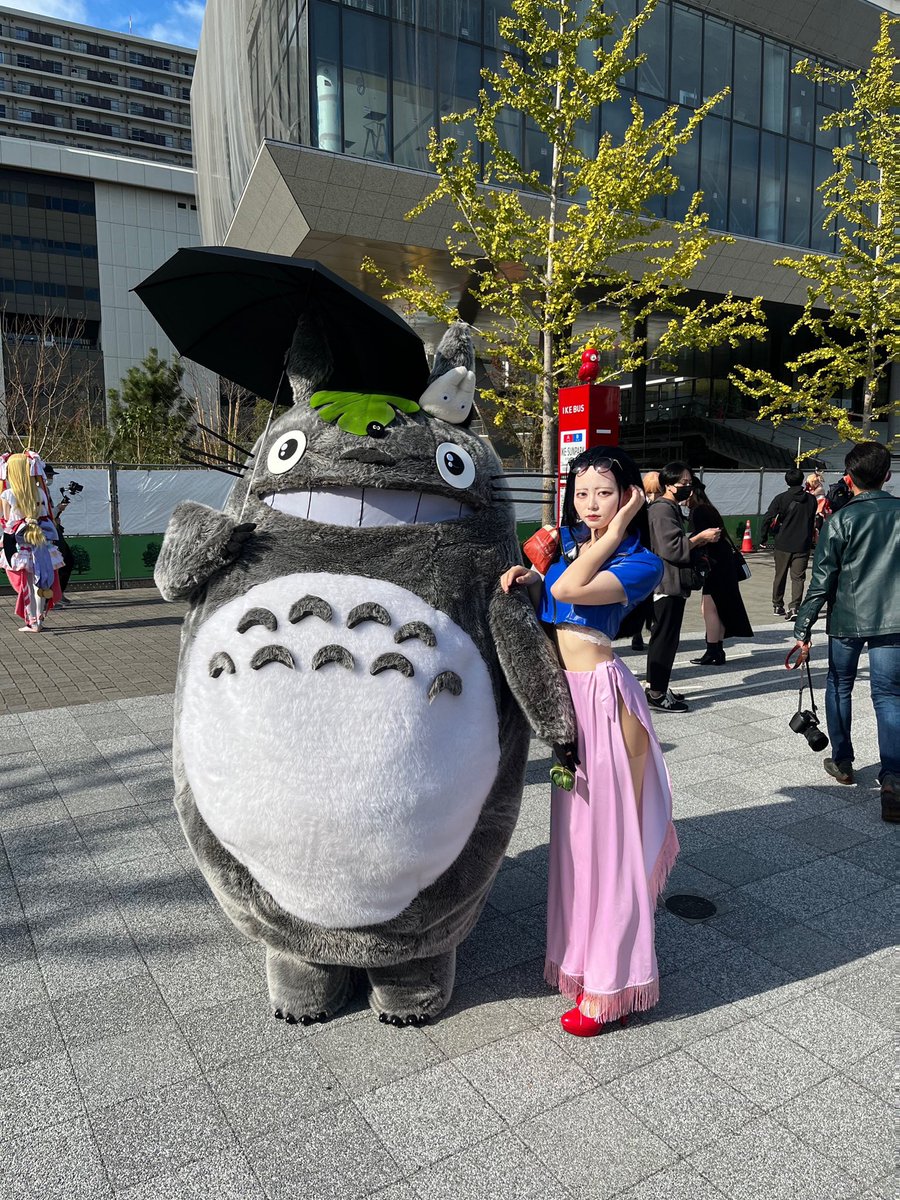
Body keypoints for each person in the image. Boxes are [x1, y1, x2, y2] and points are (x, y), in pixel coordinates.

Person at [500, 446, 678, 1036]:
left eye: (605, 492)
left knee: (613, 846)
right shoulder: (570, 549)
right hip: (567, 705)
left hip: (604, 700)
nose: (591, 504)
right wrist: (530, 580)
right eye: (581, 493)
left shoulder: (641, 562)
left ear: (628, 495)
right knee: (577, 846)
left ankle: (612, 986)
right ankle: (582, 963)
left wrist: (622, 525)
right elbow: (555, 602)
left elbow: (576, 592)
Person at [791, 442, 899, 822]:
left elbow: (821, 582)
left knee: (839, 685)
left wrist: (802, 628)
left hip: (847, 618)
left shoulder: (840, 520)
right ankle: (894, 779)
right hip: (894, 620)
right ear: (888, 475)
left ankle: (843, 761)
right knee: (889, 695)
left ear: (849, 478)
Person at [644, 462, 721, 712]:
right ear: (668, 485)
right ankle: (656, 693)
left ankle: (657, 686)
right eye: (683, 483)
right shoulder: (662, 510)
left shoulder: (669, 507)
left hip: (669, 582)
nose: (688, 487)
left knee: (665, 638)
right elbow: (672, 549)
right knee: (664, 640)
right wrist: (700, 538)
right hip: (666, 584)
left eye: (690, 482)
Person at [687, 481, 753, 665]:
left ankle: (713, 651)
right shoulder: (709, 508)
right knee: (718, 606)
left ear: (691, 493)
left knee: (709, 608)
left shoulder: (698, 511)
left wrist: (690, 543)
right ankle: (717, 650)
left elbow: (702, 539)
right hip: (723, 561)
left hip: (714, 563)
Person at [0, 451, 63, 631]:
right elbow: (47, 515)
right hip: (41, 542)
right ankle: (40, 620)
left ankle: (32, 622)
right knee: (40, 580)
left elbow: (6, 521)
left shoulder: (8, 494)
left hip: (21, 545)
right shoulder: (41, 492)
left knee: (27, 584)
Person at [760, 468, 817, 620]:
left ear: (787, 481)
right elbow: (812, 520)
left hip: (783, 543)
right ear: (802, 480)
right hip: (802, 544)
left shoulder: (781, 498)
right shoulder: (811, 500)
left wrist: (763, 537)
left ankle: (777, 605)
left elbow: (768, 518)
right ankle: (794, 607)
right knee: (798, 577)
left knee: (780, 575)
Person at [43, 465, 75, 603]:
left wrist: (56, 515)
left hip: (53, 530)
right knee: (55, 564)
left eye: (52, 476)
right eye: (49, 475)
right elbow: (44, 513)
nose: (51, 478)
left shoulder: (46, 490)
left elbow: (50, 513)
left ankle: (57, 594)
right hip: (45, 534)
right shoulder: (37, 491)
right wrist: (57, 509)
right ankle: (50, 598)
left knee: (67, 560)